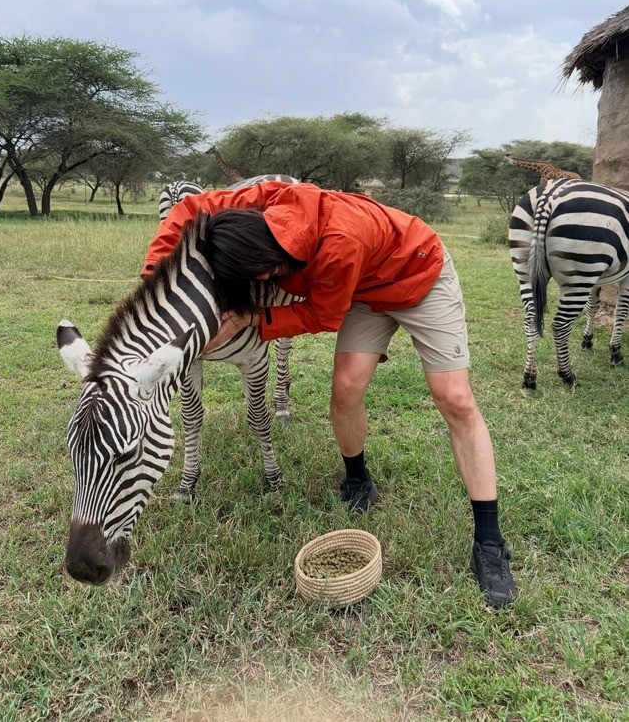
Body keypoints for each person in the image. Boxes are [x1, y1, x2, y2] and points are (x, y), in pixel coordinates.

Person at [142, 181, 517, 608]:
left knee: (455, 398)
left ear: (268, 263)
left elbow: (322, 313)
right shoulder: (263, 202)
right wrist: (155, 277)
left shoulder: (339, 245)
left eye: (259, 277)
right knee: (346, 387)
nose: (260, 282)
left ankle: (489, 542)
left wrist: (253, 318)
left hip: (419, 274)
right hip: (364, 289)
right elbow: (190, 208)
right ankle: (358, 481)